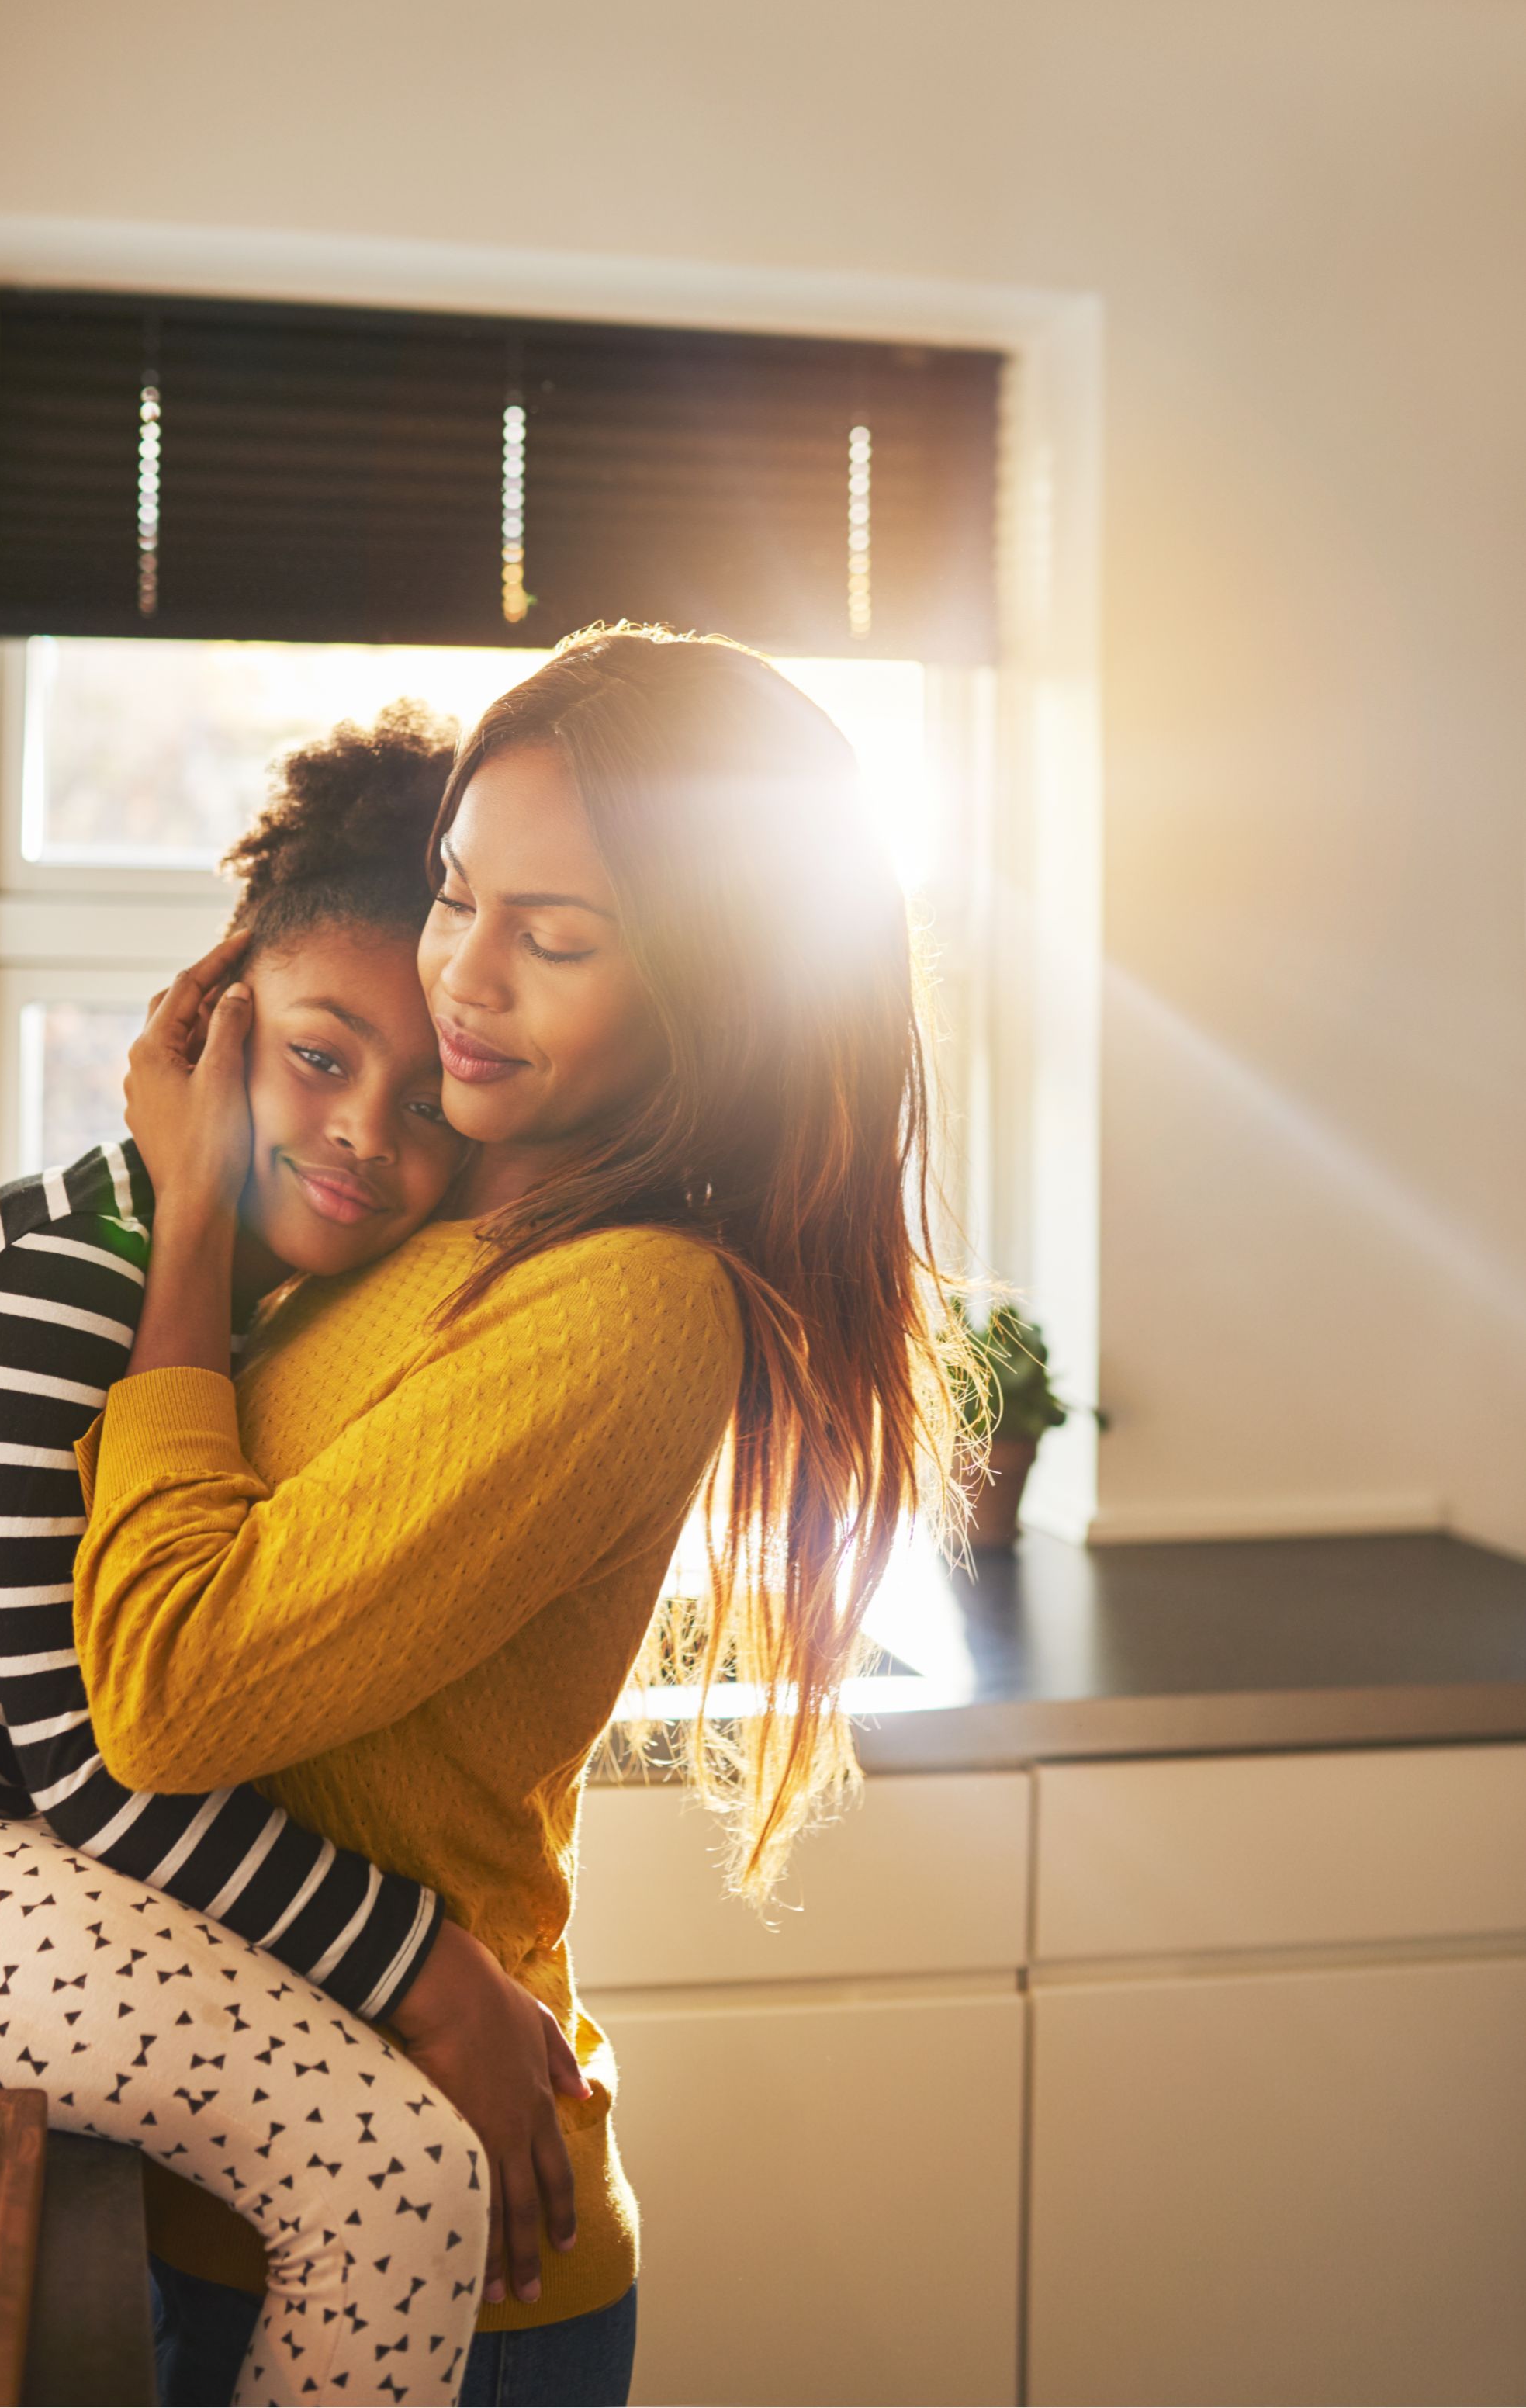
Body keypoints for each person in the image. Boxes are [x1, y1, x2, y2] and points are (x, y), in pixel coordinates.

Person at [0, 707, 588, 2408]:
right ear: (217, 1007)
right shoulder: (64, 1286)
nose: (365, 1132)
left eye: (425, 1097)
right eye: (317, 1052)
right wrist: (428, 1972)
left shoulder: (230, 1285)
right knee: (398, 2171)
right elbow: (100, 1769)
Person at [75, 625, 957, 2408]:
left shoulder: (633, 1302)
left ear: (713, 988)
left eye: (553, 940)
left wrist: (181, 1221)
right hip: (223, 2190)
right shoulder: (445, 1197)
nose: (465, 980)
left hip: (435, 2264)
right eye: (456, 896)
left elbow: (169, 1689)